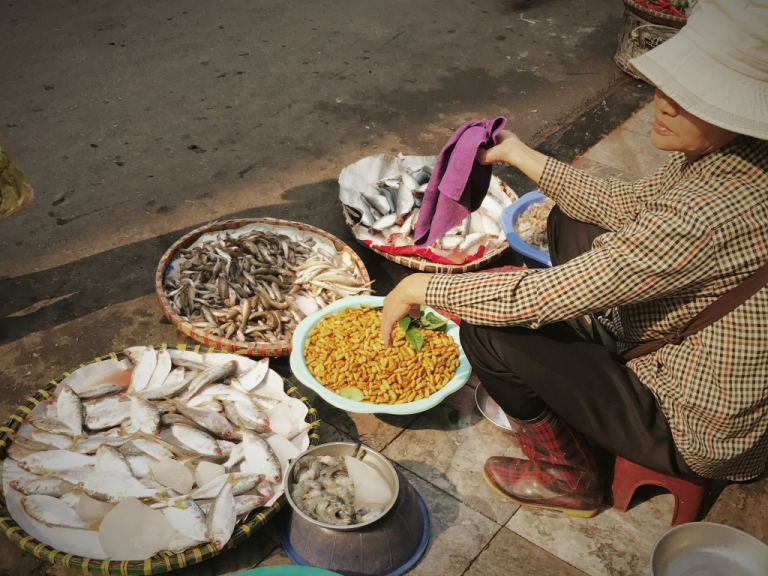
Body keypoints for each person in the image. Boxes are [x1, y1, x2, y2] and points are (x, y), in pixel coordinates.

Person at [381, 0, 768, 518]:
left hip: (695, 428)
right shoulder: (741, 157)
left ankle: (568, 477)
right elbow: (625, 206)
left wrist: (418, 288)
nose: (666, 104)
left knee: (487, 331)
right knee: (571, 219)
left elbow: (540, 296)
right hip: (689, 345)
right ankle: (592, 346)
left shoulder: (707, 214)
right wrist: (519, 153)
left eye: (695, 98)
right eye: (670, 84)